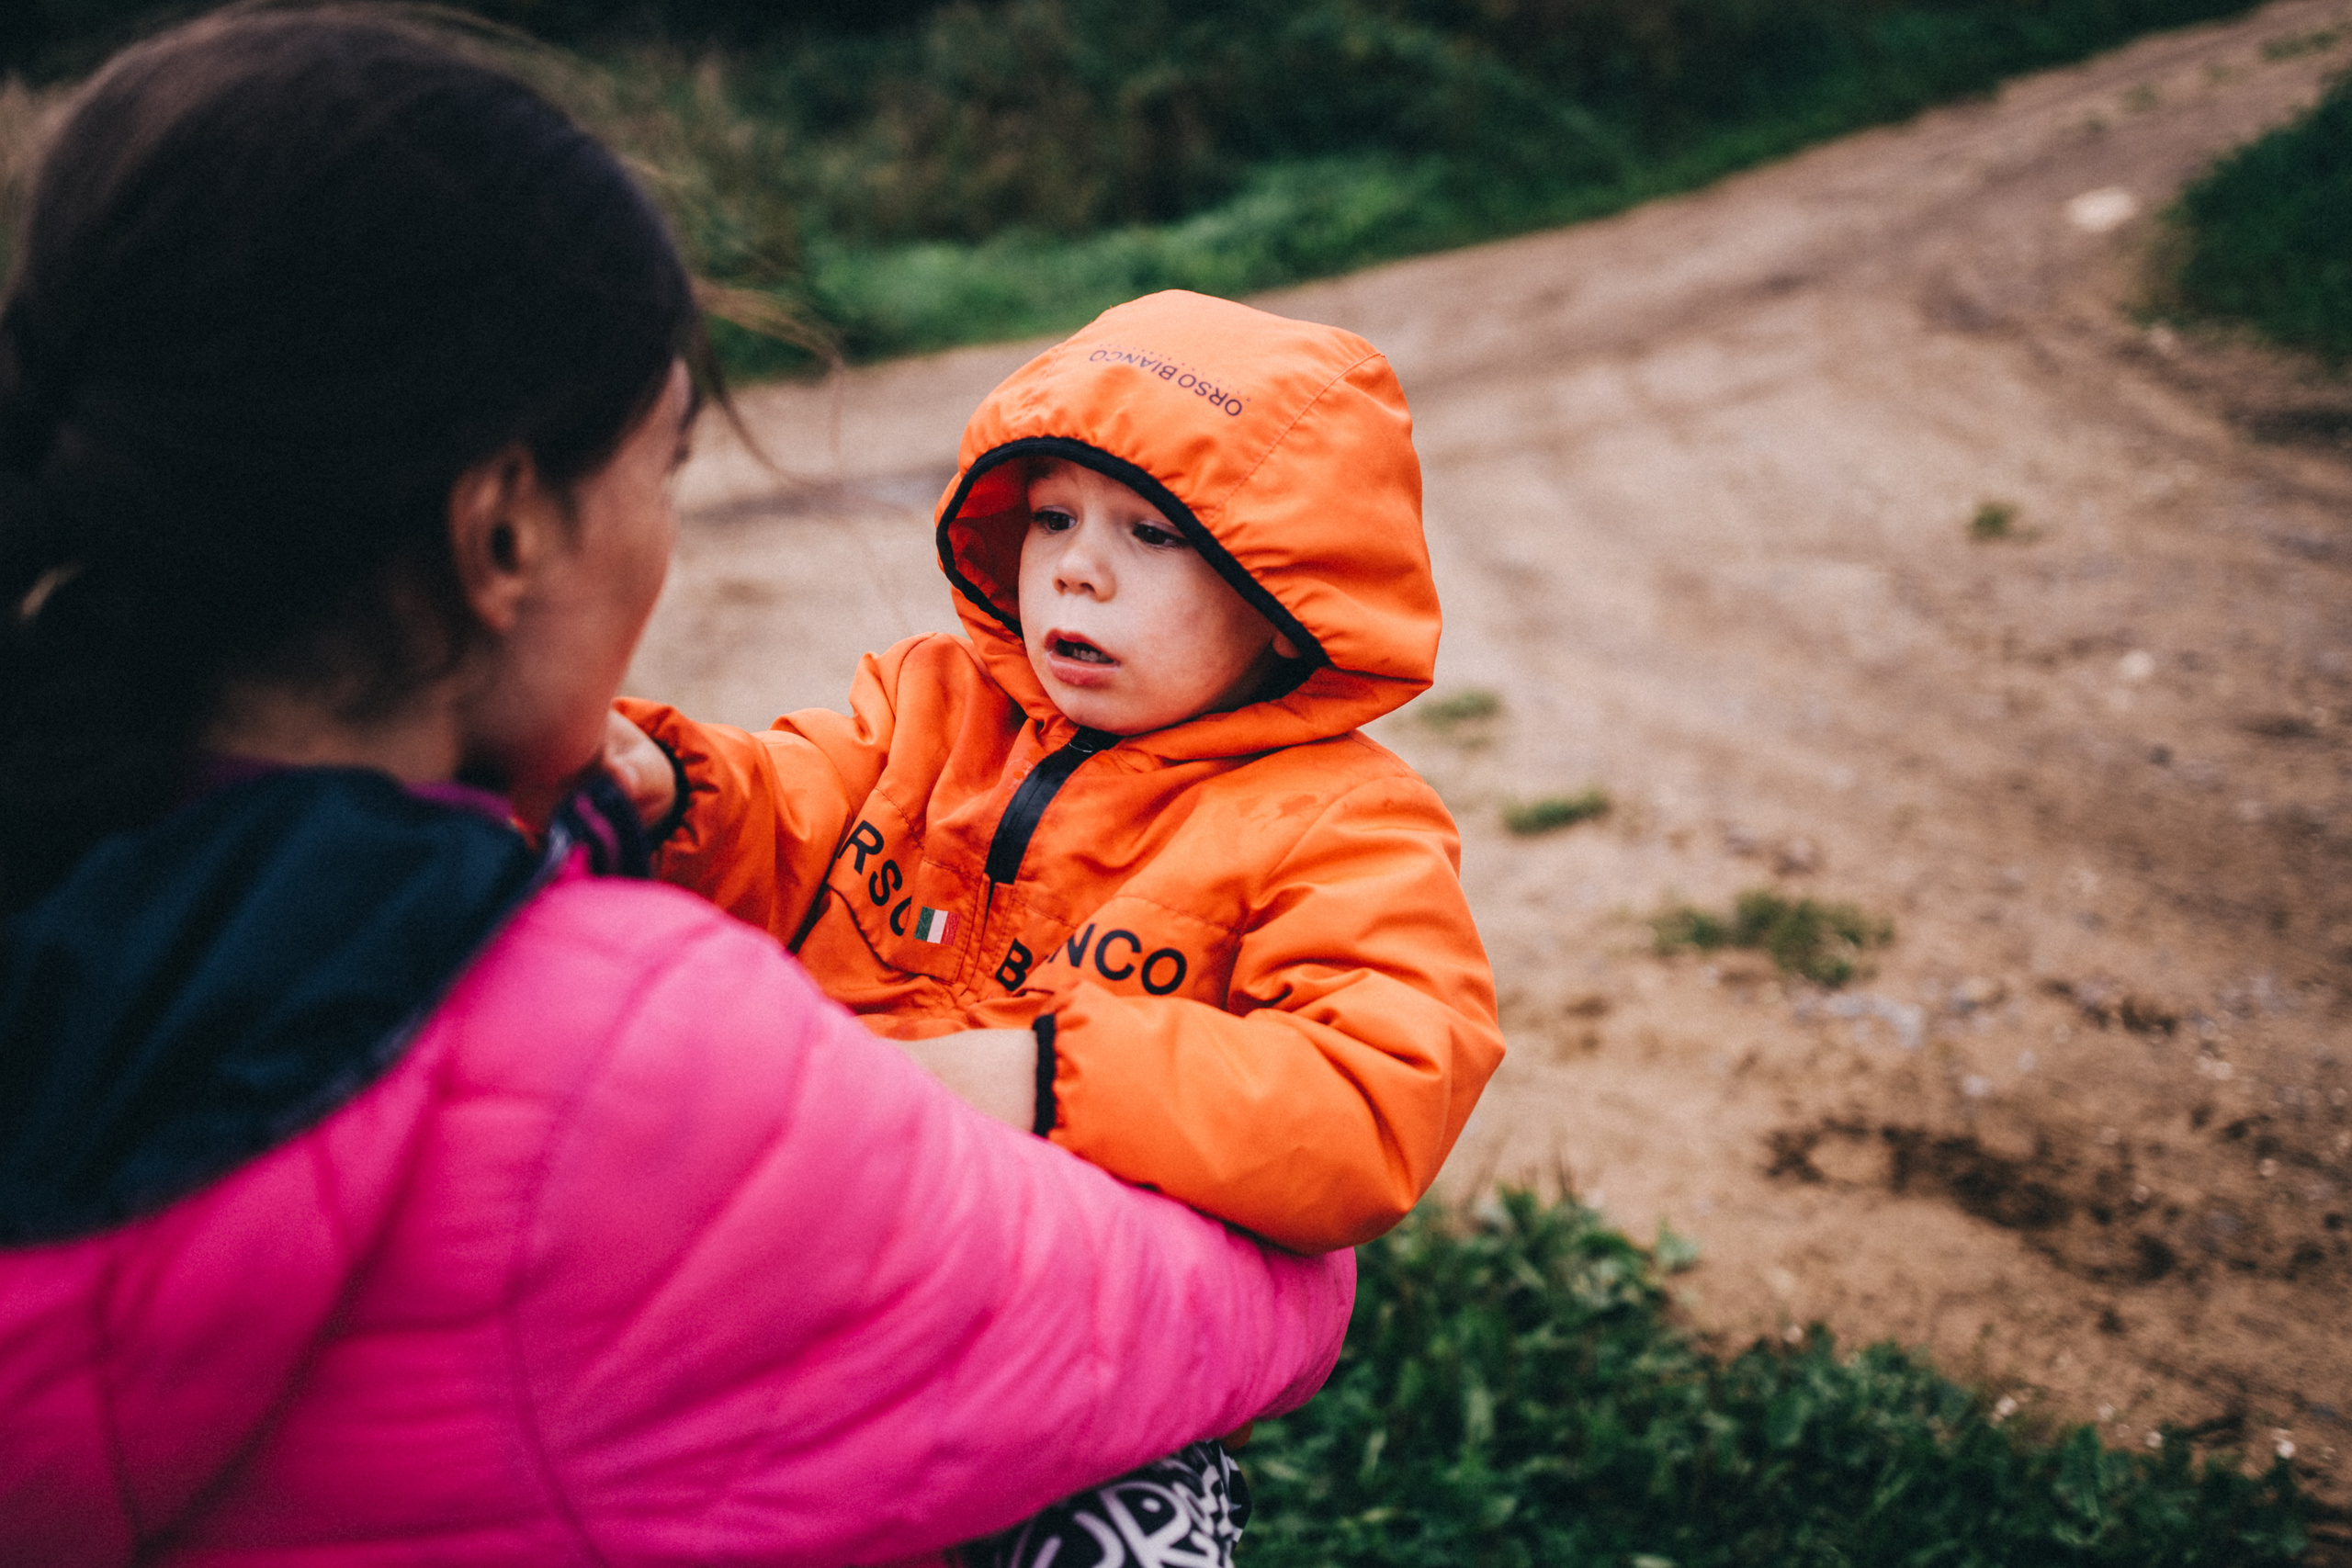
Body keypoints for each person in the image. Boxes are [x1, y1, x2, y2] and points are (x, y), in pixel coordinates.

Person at [0, 14, 1353, 1563]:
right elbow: (1113, 1312)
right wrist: (1295, 1258)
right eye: (663, 467)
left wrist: (668, 797)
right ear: (502, 534)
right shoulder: (619, 1057)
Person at [610, 289, 1506, 1565]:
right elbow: (792, 811)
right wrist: (682, 788)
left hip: (1092, 1327)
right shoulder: (931, 703)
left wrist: (1046, 1072)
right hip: (828, 1246)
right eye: (1053, 517)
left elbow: (1376, 1091)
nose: (1079, 567)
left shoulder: (1339, 822)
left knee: (1122, 1544)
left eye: (1153, 532)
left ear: (1284, 596)